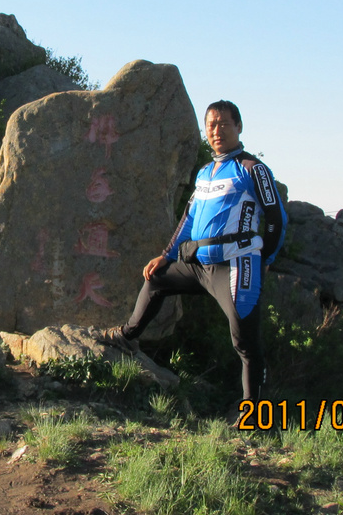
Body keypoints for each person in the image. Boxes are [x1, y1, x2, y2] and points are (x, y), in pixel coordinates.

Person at [103, 100, 287, 403]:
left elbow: (277, 219)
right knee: (157, 277)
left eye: (224, 124)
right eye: (211, 125)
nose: (217, 130)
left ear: (239, 127)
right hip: (197, 264)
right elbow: (187, 219)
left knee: (245, 342)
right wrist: (167, 254)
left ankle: (253, 416)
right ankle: (126, 337)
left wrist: (265, 259)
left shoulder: (253, 169)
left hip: (237, 265)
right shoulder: (205, 172)